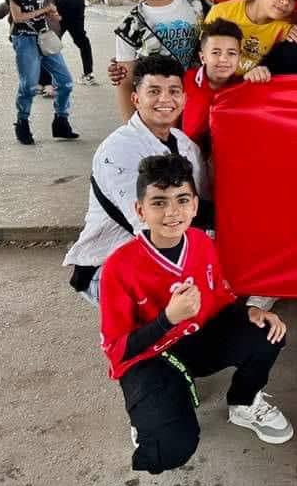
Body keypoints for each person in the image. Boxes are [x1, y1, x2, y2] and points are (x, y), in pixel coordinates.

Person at [99, 153, 291, 475]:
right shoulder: (119, 267)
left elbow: (220, 299)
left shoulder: (200, 241)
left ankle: (244, 403)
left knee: (268, 334)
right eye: (159, 202)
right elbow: (117, 351)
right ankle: (151, 414)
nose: (172, 212)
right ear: (140, 210)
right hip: (150, 358)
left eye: (182, 200)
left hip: (196, 343)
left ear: (195, 206)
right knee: (168, 449)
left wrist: (251, 311)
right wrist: (166, 320)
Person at [63, 54, 209, 303]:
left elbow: (202, 208)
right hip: (108, 266)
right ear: (135, 99)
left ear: (184, 99)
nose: (165, 99)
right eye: (154, 91)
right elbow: (153, 228)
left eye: (174, 91)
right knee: (189, 306)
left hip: (165, 253)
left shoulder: (186, 145)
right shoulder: (119, 149)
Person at [112, 0, 206, 121]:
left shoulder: (202, 6)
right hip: (160, 115)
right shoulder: (129, 27)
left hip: (201, 111)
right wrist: (132, 131)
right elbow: (125, 84)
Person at [7, 0, 79, 145]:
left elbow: (48, 11)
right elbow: (18, 17)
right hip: (25, 39)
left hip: (44, 38)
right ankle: (22, 123)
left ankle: (61, 121)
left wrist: (54, 14)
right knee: (29, 85)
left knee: (65, 81)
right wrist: (44, 11)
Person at [182, 19, 242, 151]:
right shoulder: (183, 81)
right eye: (216, 53)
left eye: (231, 53)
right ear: (202, 57)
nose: (224, 59)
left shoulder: (243, 86)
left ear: (239, 57)